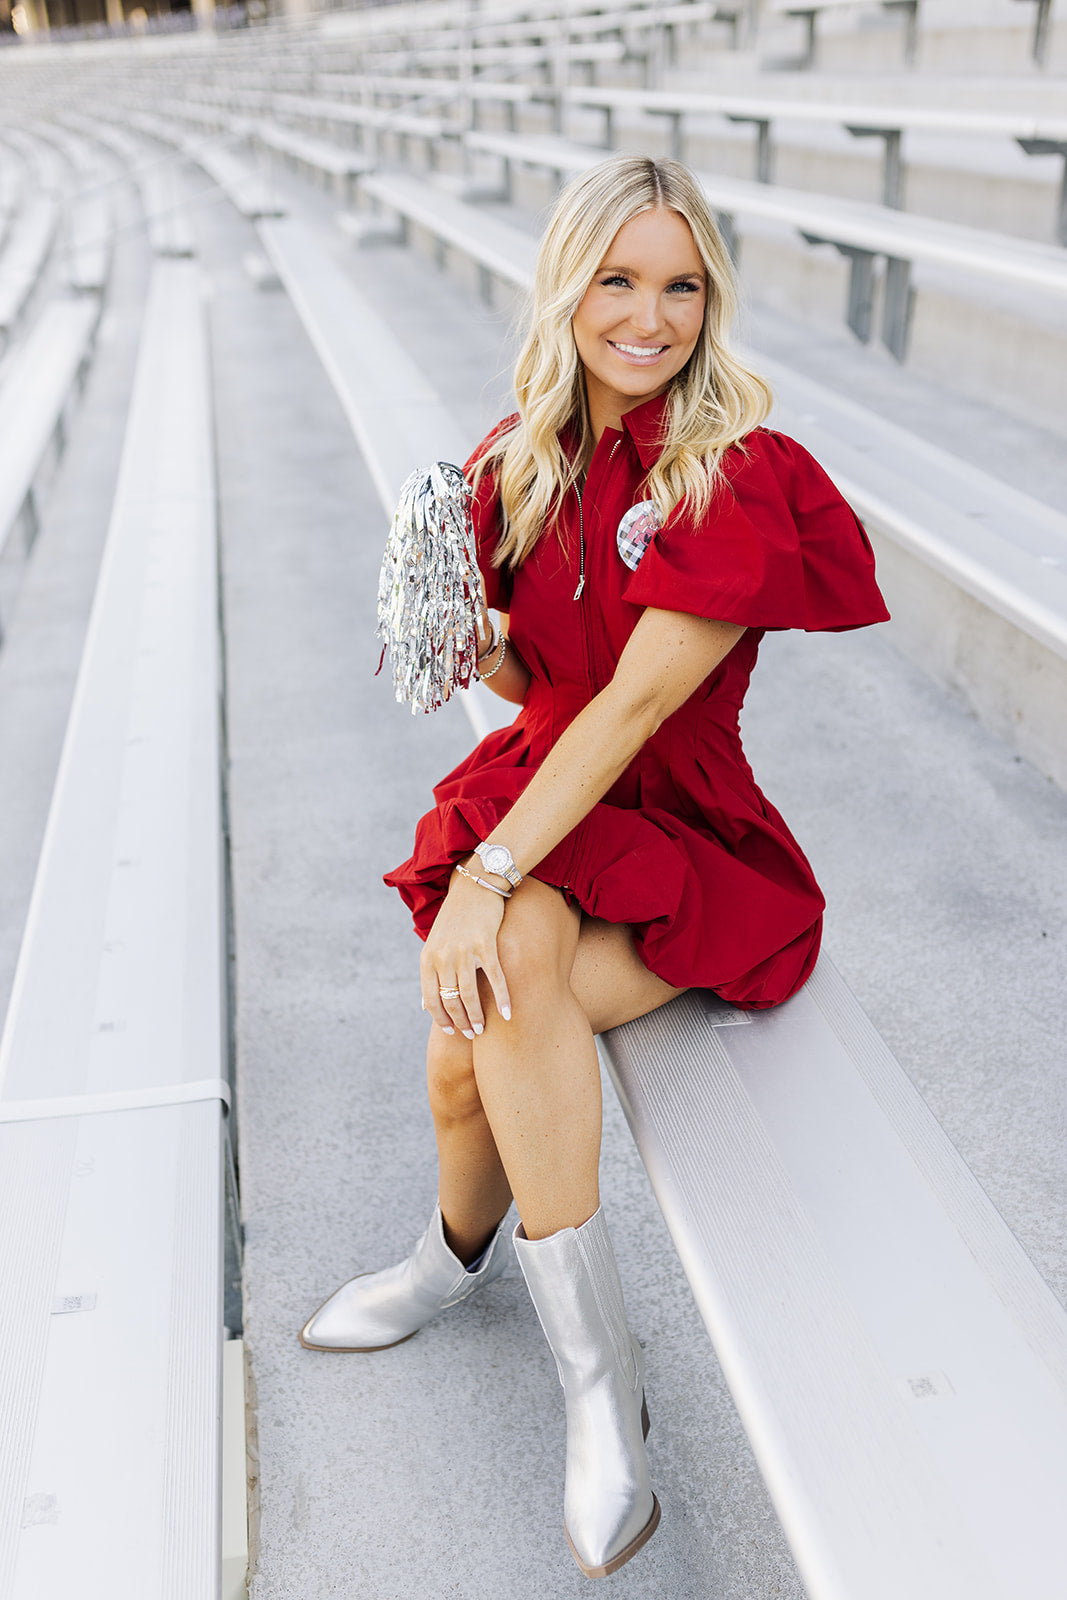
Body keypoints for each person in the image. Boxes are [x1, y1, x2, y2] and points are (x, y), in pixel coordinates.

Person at [299, 154, 890, 1579]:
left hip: (681, 826)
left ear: (711, 299)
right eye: (619, 280)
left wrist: (492, 878)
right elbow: (537, 684)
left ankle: (588, 1388)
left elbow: (633, 705)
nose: (650, 315)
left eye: (679, 284)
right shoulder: (525, 452)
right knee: (471, 1052)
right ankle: (472, 1278)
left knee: (490, 999)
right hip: (553, 804)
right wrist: (467, 626)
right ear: (568, 285)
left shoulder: (734, 466)